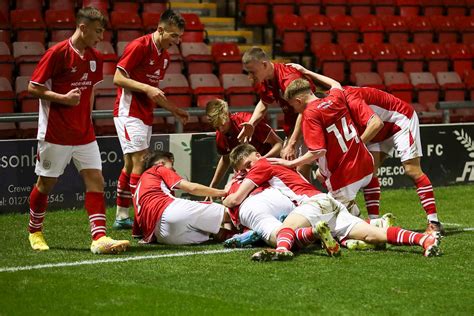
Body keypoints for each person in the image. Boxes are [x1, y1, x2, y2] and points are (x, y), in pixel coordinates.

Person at [27, 7, 130, 254]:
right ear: (82, 28)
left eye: (102, 31)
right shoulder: (57, 53)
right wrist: (62, 98)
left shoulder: (96, 57)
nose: (100, 36)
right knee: (46, 184)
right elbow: (33, 87)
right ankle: (35, 231)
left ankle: (99, 237)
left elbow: (90, 92)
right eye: (97, 31)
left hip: (84, 133)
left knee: (95, 179)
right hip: (55, 133)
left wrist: (88, 119)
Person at [225, 144, 442, 261]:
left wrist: (225, 196)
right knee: (372, 235)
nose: (246, 170)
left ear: (257, 154)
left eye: (247, 163)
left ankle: (282, 251)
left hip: (313, 204)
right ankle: (423, 240)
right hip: (328, 205)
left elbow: (235, 198)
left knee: (284, 230)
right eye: (242, 168)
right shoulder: (271, 165)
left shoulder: (261, 165)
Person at [112, 9, 190, 229]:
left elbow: (154, 92)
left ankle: (121, 216)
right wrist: (145, 87)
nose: (177, 41)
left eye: (179, 36)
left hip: (145, 113)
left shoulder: (164, 57)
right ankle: (142, 217)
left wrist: (175, 109)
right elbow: (118, 78)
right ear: (160, 29)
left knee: (129, 165)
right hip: (129, 111)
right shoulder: (139, 46)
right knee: (139, 162)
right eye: (174, 35)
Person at [272, 77, 379, 217]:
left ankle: (376, 224)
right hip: (366, 162)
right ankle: (368, 218)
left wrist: (291, 163)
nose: (295, 110)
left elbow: (318, 151)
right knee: (320, 175)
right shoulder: (335, 97)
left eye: (293, 106)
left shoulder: (309, 115)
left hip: (346, 175)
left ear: (298, 101)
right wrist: (307, 72)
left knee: (329, 220)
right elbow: (335, 83)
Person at [344, 86, 444, 234]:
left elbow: (376, 123)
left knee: (412, 169)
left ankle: (434, 223)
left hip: (399, 120)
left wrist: (356, 147)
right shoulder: (336, 99)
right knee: (370, 171)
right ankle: (374, 223)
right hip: (379, 129)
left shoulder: (348, 99)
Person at [237, 47, 315, 180]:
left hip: (310, 122)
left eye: (252, 72)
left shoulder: (289, 78)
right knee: (294, 172)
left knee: (300, 171)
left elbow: (305, 108)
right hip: (294, 126)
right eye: (247, 73)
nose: (250, 77)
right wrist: (252, 123)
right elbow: (264, 102)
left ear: (264, 65)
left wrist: (292, 143)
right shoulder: (266, 80)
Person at [133, 150, 232, 245]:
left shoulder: (140, 186)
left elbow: (137, 232)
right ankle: (243, 229)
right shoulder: (159, 168)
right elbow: (192, 188)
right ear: (161, 163)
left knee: (208, 230)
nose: (174, 170)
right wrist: (222, 193)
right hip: (170, 212)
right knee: (228, 212)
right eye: (171, 165)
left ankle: (230, 234)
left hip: (163, 236)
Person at [206, 98, 283, 190]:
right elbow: (226, 159)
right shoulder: (220, 135)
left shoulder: (247, 121)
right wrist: (212, 186)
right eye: (217, 127)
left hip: (270, 168)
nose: (221, 129)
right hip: (247, 175)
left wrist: (261, 161)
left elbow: (278, 143)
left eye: (222, 125)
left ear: (227, 115)